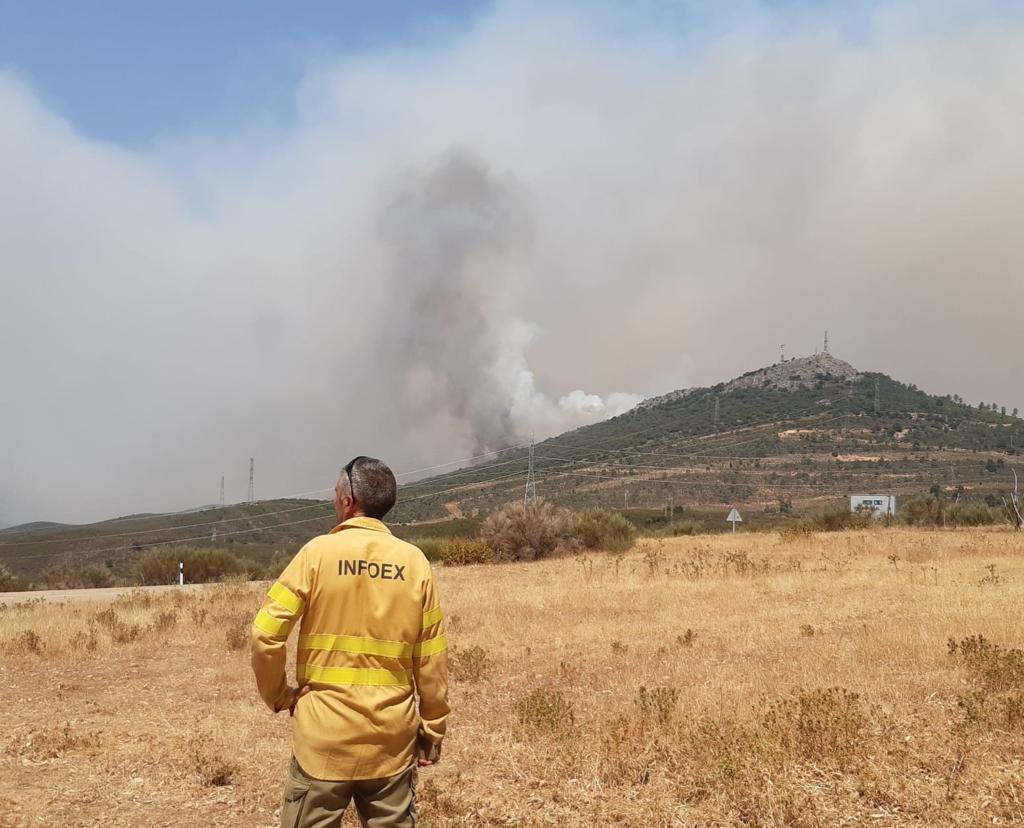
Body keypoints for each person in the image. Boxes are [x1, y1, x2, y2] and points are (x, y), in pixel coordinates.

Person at [251, 456, 449, 827]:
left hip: (323, 740)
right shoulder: (415, 563)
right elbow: (432, 656)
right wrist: (433, 727)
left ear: (347, 500)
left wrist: (280, 696)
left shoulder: (316, 554)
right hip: (391, 741)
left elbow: (265, 633)